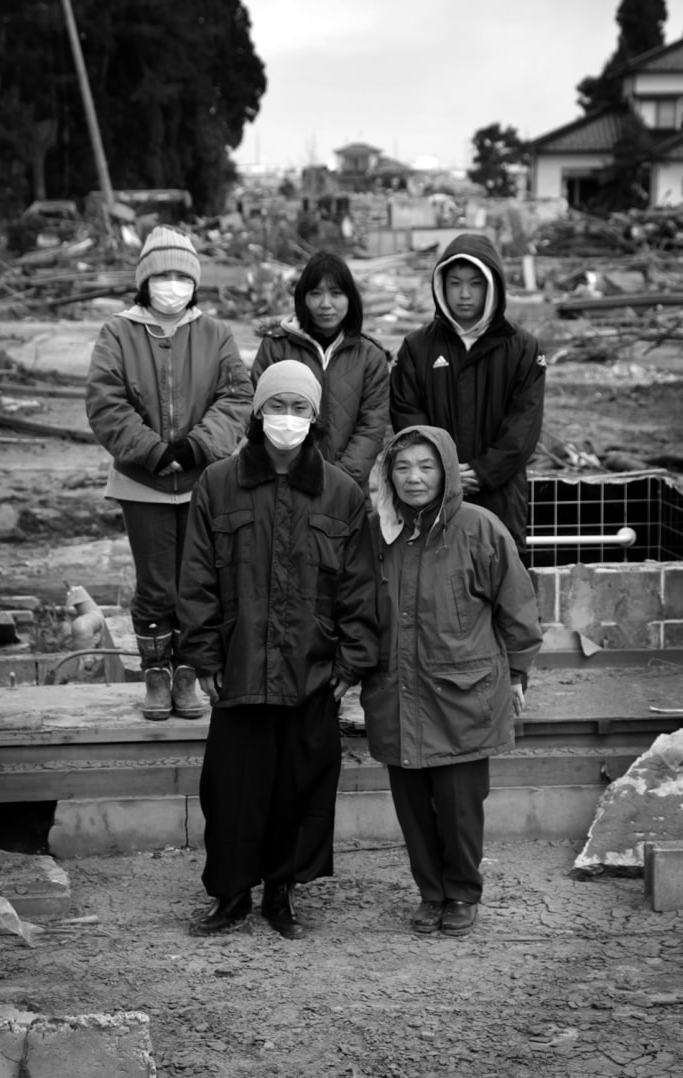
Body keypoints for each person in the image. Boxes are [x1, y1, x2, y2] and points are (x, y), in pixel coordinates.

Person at [177, 360, 379, 939]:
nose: (286, 419)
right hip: (239, 668)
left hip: (310, 671)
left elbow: (360, 585)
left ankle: (281, 893)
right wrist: (204, 656)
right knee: (233, 789)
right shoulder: (217, 483)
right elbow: (194, 580)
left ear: (314, 417)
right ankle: (231, 894)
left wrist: (350, 663)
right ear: (257, 411)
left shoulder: (342, 493)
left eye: (299, 408)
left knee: (299, 787)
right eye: (276, 406)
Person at [361, 425, 542, 937]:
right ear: (387, 475)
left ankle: (462, 891)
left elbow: (517, 606)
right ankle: (430, 892)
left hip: (463, 693)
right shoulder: (380, 532)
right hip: (397, 690)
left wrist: (519, 672)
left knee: (460, 806)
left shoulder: (479, 528)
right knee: (413, 805)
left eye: (425, 466)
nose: (414, 478)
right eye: (402, 467)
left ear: (445, 470)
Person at [86, 226, 253, 721]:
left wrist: (200, 444)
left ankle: (188, 672)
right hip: (144, 481)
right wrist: (153, 451)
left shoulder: (216, 333)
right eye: (163, 274)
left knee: (198, 582)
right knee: (157, 585)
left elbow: (237, 395)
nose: (173, 284)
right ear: (145, 280)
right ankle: (156, 673)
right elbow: (104, 399)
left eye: (183, 274)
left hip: (205, 481)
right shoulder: (118, 331)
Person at [389, 233, 546, 556]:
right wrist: (443, 468)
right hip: (433, 494)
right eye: (455, 283)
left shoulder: (522, 348)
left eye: (475, 284)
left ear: (492, 287)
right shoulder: (417, 348)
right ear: (440, 286)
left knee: (501, 582)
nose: (464, 294)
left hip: (501, 494)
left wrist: (484, 471)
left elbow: (524, 424)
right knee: (433, 585)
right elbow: (407, 414)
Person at [252, 250, 390, 498]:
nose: (326, 304)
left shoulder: (370, 356)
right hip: (281, 486)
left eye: (336, 293)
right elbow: (257, 414)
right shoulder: (276, 347)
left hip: (347, 491)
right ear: (303, 298)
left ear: (351, 298)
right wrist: (296, 475)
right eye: (315, 293)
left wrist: (339, 479)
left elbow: (372, 426)